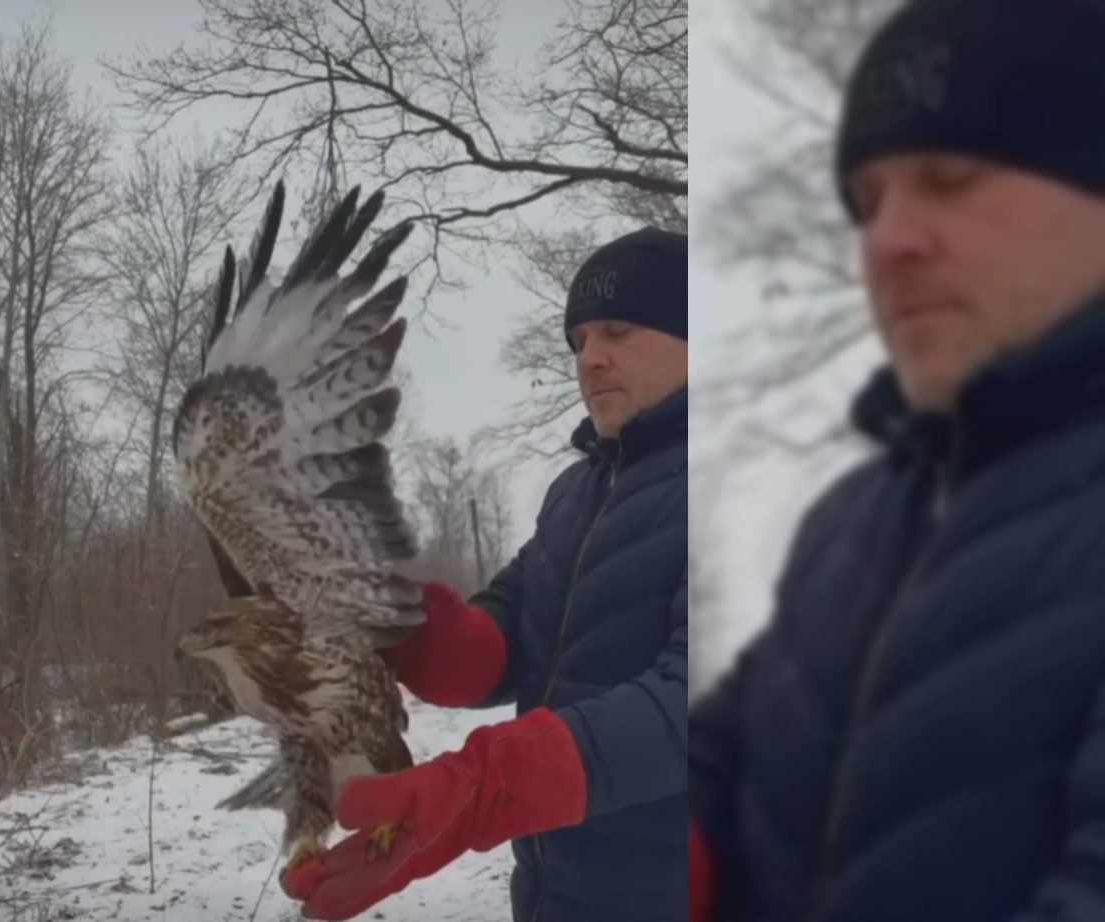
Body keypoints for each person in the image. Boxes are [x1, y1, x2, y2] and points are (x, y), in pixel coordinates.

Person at [689, 1, 1105, 920]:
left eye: (950, 176)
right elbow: (719, 767)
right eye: (866, 202)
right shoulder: (852, 521)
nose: (886, 243)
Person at [285, 227, 690, 921]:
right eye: (578, 340)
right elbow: (509, 633)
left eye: (618, 331)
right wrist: (402, 625)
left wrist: (482, 787)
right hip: (556, 892)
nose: (590, 359)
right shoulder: (577, 492)